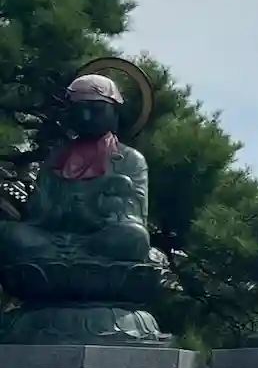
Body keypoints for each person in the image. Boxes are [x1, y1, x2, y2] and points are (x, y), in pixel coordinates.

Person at [0, 74, 153, 265]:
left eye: (96, 110)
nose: (86, 117)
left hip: (101, 240)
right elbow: (37, 214)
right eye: (79, 111)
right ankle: (72, 255)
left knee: (135, 237)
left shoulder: (130, 160)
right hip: (51, 238)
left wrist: (93, 212)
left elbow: (133, 216)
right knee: (8, 233)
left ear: (114, 113)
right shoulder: (56, 157)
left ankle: (68, 255)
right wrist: (61, 209)